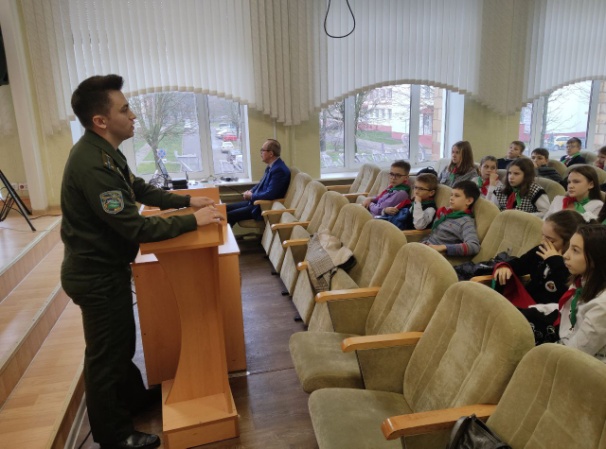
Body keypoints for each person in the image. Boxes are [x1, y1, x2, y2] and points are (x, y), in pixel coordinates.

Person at [60, 75, 224, 449]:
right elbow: (135, 227)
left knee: (120, 344)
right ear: (101, 120)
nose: (133, 115)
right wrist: (192, 221)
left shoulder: (105, 153)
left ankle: (133, 400)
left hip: (105, 269)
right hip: (96, 274)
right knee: (106, 356)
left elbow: (139, 189)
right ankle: (114, 437)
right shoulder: (93, 165)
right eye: (125, 109)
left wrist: (187, 201)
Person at [493, 210, 584, 305]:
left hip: (546, 311)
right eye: (543, 235)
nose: (542, 242)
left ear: (569, 242)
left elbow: (566, 290)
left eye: (550, 239)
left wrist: (555, 261)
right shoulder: (541, 250)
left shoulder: (575, 265)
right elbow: (519, 264)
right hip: (525, 303)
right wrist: (505, 266)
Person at [557, 224, 606, 361]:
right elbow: (570, 314)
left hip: (589, 366)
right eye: (569, 247)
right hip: (567, 344)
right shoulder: (582, 279)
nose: (565, 255)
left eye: (575, 250)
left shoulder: (602, 306)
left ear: (595, 258)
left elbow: (575, 354)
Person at [226, 139, 290, 226]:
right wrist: (251, 191)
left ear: (271, 154)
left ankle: (224, 235)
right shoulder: (272, 166)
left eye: (263, 150)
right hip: (256, 203)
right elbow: (261, 184)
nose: (261, 153)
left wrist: (252, 196)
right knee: (225, 208)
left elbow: (270, 194)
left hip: (262, 207)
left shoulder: (279, 170)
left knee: (228, 216)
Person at [423, 180, 480, 257]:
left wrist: (443, 247)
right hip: (426, 246)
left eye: (457, 196)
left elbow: (474, 246)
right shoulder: (445, 212)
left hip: (437, 256)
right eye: (451, 195)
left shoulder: (465, 221)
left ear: (469, 201)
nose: (451, 198)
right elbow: (433, 234)